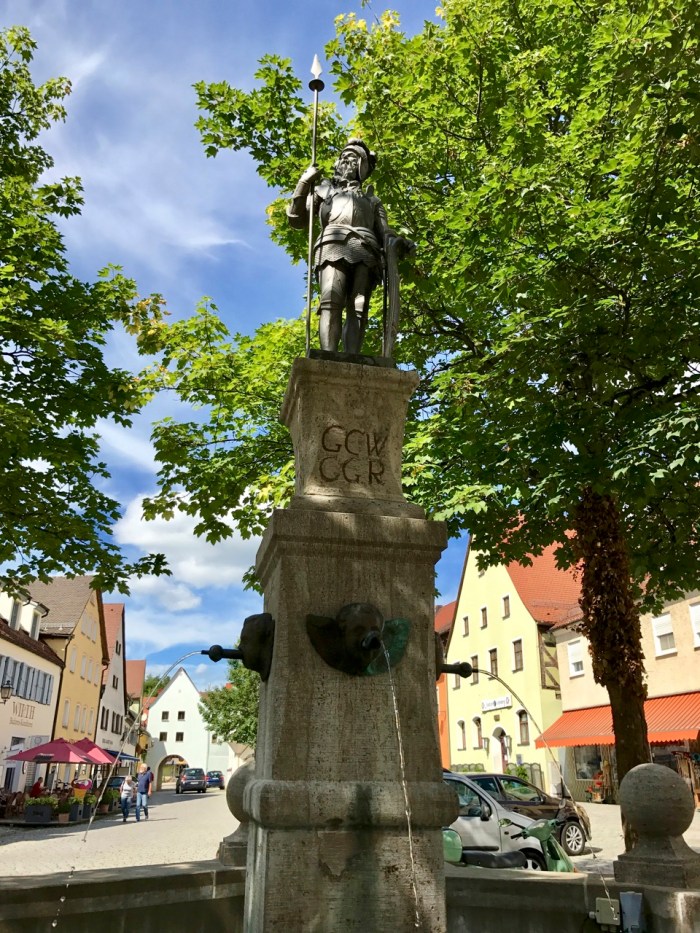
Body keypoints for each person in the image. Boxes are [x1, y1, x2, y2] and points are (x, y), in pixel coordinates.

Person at [287, 138, 411, 356]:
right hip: (332, 244)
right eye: (343, 156)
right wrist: (304, 183)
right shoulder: (323, 190)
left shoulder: (372, 201)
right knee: (331, 299)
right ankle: (328, 355)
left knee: (359, 306)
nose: (346, 160)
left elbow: (385, 233)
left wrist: (399, 243)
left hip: (366, 250)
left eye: (353, 157)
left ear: (362, 166)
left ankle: (352, 356)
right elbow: (297, 219)